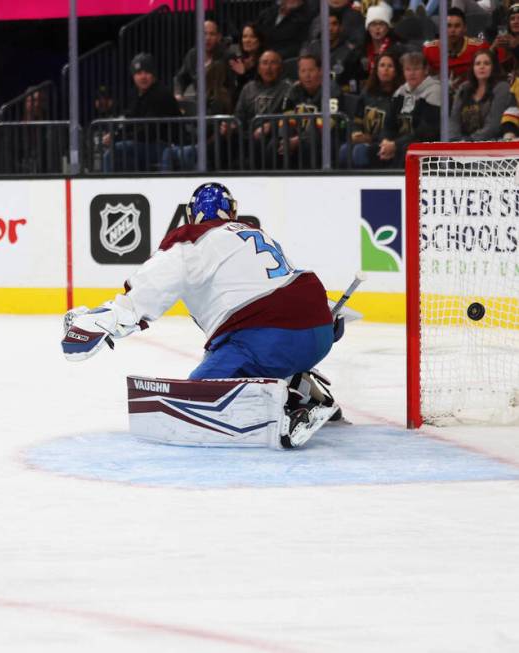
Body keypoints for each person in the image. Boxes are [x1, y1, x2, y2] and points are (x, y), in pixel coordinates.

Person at [61, 182, 341, 448]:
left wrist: (104, 320)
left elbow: (151, 287)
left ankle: (293, 402)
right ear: (232, 211)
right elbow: (285, 284)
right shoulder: (254, 232)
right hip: (318, 331)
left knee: (198, 399)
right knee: (231, 353)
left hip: (269, 340)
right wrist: (326, 318)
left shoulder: (190, 240)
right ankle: (303, 382)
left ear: (191, 214)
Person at [102, 52, 181, 172]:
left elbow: (148, 131)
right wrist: (114, 134)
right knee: (117, 152)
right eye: (139, 73)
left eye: (147, 72)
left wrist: (118, 138)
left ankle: (107, 189)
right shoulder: (137, 94)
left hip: (164, 145)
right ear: (133, 76)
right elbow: (129, 119)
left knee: (113, 152)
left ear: (153, 75)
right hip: (144, 144)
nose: (143, 77)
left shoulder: (161, 94)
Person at [276, 54, 342, 168]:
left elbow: (328, 124)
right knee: (274, 146)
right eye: (303, 71)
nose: (307, 75)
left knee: (307, 145)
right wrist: (285, 138)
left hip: (327, 139)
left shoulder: (332, 89)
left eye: (311, 70)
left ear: (320, 71)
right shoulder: (294, 90)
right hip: (297, 136)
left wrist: (299, 140)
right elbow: (286, 117)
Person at [378, 51, 441, 166]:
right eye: (408, 69)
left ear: (425, 70)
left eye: (416, 69)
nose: (412, 73)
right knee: (363, 151)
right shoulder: (400, 92)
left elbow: (426, 131)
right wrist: (386, 141)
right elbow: (389, 124)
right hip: (399, 144)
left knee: (406, 152)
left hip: (425, 146)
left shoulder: (434, 91)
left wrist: (395, 145)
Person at [341, 51, 404, 167]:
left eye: (390, 66)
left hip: (386, 143)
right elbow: (357, 119)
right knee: (344, 150)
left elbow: (394, 129)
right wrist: (356, 133)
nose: (385, 69)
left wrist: (370, 139)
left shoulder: (400, 96)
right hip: (365, 140)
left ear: (396, 71)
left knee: (359, 152)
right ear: (376, 70)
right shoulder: (367, 93)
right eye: (382, 65)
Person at [235, 49, 293, 167]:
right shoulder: (248, 88)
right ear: (258, 68)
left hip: (272, 136)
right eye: (265, 63)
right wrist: (231, 126)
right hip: (247, 136)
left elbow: (290, 115)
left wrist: (271, 125)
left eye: (273, 63)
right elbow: (239, 116)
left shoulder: (288, 88)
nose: (268, 67)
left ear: (280, 68)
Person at [423, 7, 503, 86]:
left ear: (465, 28)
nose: (452, 30)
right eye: (448, 26)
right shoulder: (429, 50)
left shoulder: (479, 47)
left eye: (457, 26)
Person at [449, 49, 516, 140]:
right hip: (462, 143)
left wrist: (469, 142)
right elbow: (454, 120)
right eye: (478, 64)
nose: (482, 67)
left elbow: (494, 125)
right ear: (473, 68)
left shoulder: (502, 88)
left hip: (492, 144)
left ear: (493, 67)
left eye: (486, 63)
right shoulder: (464, 88)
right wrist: (454, 141)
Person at [305, 8, 363, 93]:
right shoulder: (312, 49)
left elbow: (354, 86)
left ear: (341, 27)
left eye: (334, 24)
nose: (330, 28)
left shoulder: (350, 53)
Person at [173, 19, 227, 104]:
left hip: (221, 105)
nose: (207, 38)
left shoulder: (226, 56)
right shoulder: (193, 55)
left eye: (212, 34)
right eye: (204, 34)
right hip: (200, 103)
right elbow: (180, 78)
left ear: (218, 37)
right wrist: (178, 94)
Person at [361, 3, 402, 82]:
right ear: (368, 28)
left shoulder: (397, 49)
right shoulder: (362, 49)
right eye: (373, 24)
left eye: (381, 24)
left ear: (387, 28)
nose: (377, 28)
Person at [227, 22, 264, 101]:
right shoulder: (238, 61)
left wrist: (243, 75)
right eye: (244, 37)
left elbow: (256, 91)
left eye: (252, 36)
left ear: (260, 40)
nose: (247, 40)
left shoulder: (264, 62)